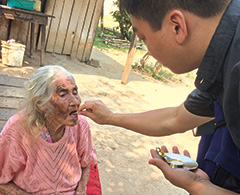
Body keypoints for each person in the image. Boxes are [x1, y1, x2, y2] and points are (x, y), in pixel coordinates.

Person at [79, 0, 240, 194]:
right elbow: (176, 117)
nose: (147, 49)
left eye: (143, 37)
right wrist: (110, 117)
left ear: (176, 26)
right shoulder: (223, 63)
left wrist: (196, 186)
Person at [0, 65, 97, 195]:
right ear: (41, 104)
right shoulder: (18, 129)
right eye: (63, 94)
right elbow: (2, 181)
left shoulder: (82, 126)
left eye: (75, 92)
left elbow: (85, 164)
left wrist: (80, 191)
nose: (75, 101)